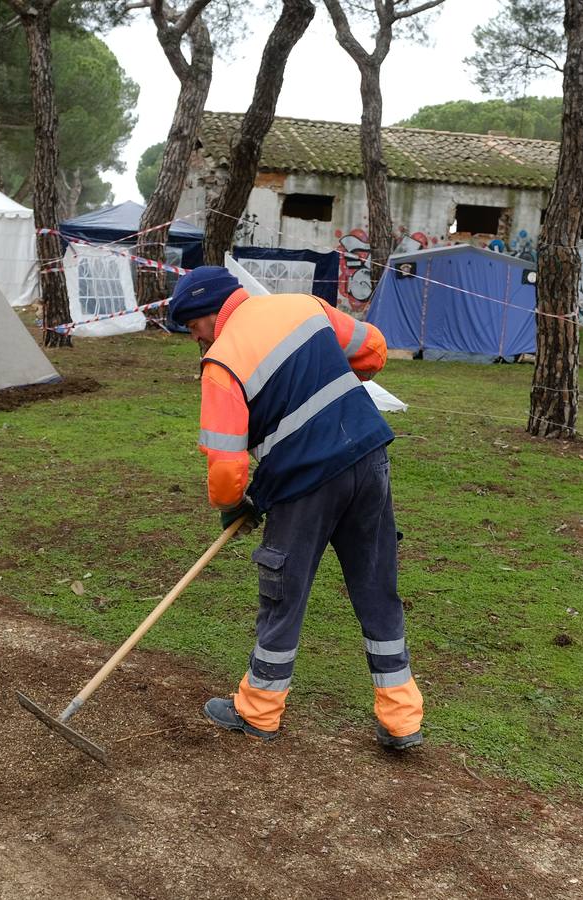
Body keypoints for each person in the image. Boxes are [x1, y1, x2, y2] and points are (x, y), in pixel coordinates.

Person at [167, 266, 423, 750]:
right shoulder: (302, 306)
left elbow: (226, 466)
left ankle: (259, 711)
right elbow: (374, 350)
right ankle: (402, 718)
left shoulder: (222, 363)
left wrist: (231, 505)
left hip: (303, 484)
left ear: (204, 316)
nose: (195, 338)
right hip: (368, 459)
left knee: (284, 594)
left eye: (191, 327)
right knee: (376, 587)